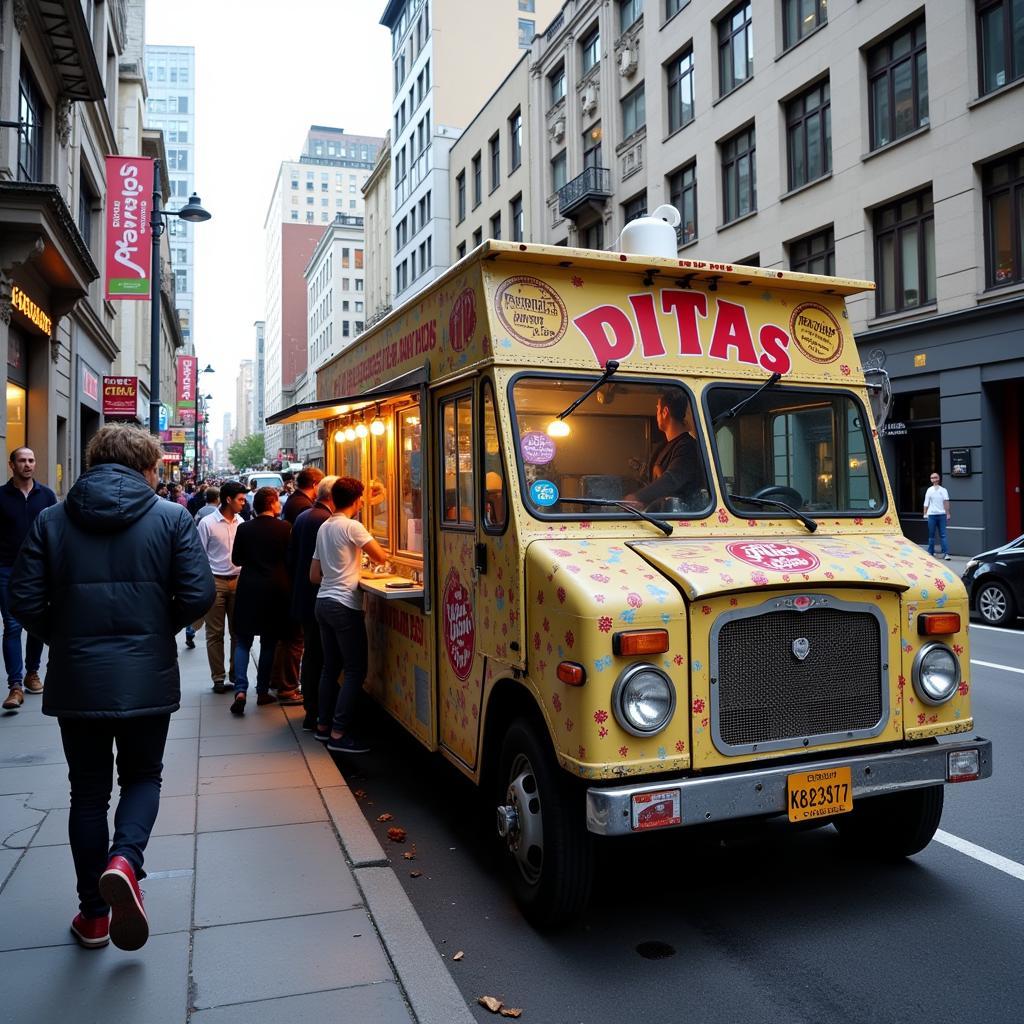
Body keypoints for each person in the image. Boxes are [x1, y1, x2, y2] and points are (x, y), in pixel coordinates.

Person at [8, 423, 214, 951]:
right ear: (147, 468)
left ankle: (94, 916)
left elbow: (24, 600)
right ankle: (125, 860)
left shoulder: (53, 520)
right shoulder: (171, 518)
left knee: (87, 794)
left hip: (79, 679)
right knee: (143, 777)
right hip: (146, 675)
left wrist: (67, 636)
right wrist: (153, 629)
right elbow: (198, 595)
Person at [311, 476, 387, 752]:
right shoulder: (352, 526)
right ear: (356, 501)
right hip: (344, 605)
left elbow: (314, 575)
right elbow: (380, 557)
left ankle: (322, 726)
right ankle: (339, 734)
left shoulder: (324, 527)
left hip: (323, 603)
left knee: (330, 667)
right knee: (355, 670)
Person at [0, 447, 57, 708]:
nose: (27, 464)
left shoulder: (46, 495)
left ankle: (33, 672)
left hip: (39, 570)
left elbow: (56, 532)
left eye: (31, 460)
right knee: (12, 626)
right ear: (11, 464)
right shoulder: (1, 496)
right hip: (7, 569)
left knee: (35, 623)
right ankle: (15, 685)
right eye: (22, 460)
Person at [229, 487, 293, 716]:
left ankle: (240, 690)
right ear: (273, 503)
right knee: (268, 642)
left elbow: (237, 559)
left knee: (243, 640)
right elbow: (290, 560)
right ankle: (262, 690)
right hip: (276, 588)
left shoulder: (244, 528)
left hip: (249, 588)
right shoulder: (285, 528)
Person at [289, 475, 336, 731]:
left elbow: (292, 556)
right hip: (318, 594)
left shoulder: (304, 516)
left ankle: (311, 708)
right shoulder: (325, 521)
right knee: (320, 655)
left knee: (312, 653)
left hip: (303, 595)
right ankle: (317, 711)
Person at [196, 481, 247, 692]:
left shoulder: (241, 522)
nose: (244, 503)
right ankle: (218, 677)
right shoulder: (207, 523)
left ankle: (236, 674)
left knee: (238, 631)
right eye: (241, 499)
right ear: (228, 499)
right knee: (215, 632)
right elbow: (198, 554)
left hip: (238, 580)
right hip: (215, 581)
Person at [624, 390, 702, 508]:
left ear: (665, 412)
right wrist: (644, 502)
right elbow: (656, 484)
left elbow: (671, 479)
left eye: (657, 409)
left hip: (680, 518)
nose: (657, 414)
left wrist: (637, 497)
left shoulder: (687, 447)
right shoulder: (662, 448)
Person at [923, 471, 951, 560]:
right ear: (931, 480)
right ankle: (931, 552)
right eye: (932, 478)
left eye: (935, 477)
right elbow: (926, 502)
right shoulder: (929, 490)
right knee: (931, 535)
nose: (934, 479)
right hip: (931, 515)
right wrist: (925, 513)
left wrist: (948, 513)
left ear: (938, 479)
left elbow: (946, 502)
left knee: (943, 535)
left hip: (942, 515)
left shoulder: (943, 490)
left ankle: (946, 553)